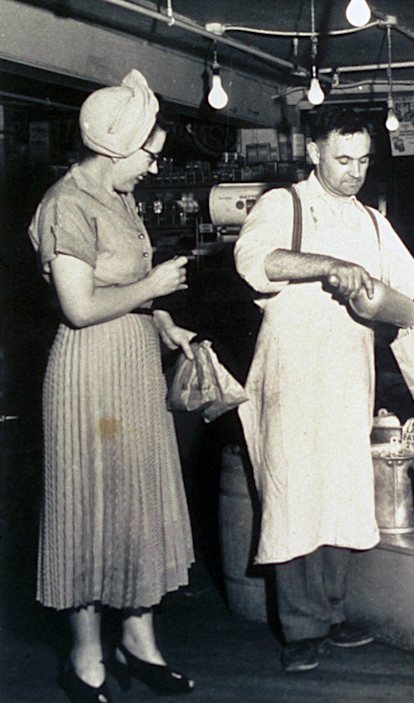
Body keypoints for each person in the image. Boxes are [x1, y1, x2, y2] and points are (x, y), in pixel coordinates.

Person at [234, 106, 414, 674]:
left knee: (342, 487)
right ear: (313, 152)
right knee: (294, 490)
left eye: (364, 160)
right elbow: (254, 262)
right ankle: (300, 628)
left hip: (350, 371)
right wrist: (329, 265)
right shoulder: (284, 204)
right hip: (291, 372)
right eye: (342, 159)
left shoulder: (373, 221)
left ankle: (332, 610)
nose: (354, 171)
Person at [28, 70, 197, 702]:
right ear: (115, 148)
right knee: (89, 510)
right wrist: (151, 290)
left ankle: (139, 642)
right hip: (88, 376)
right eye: (150, 154)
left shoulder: (120, 199)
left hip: (132, 369)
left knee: (136, 507)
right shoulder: (64, 205)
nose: (155, 167)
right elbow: (78, 306)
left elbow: (119, 287)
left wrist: (163, 320)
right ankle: (86, 659)